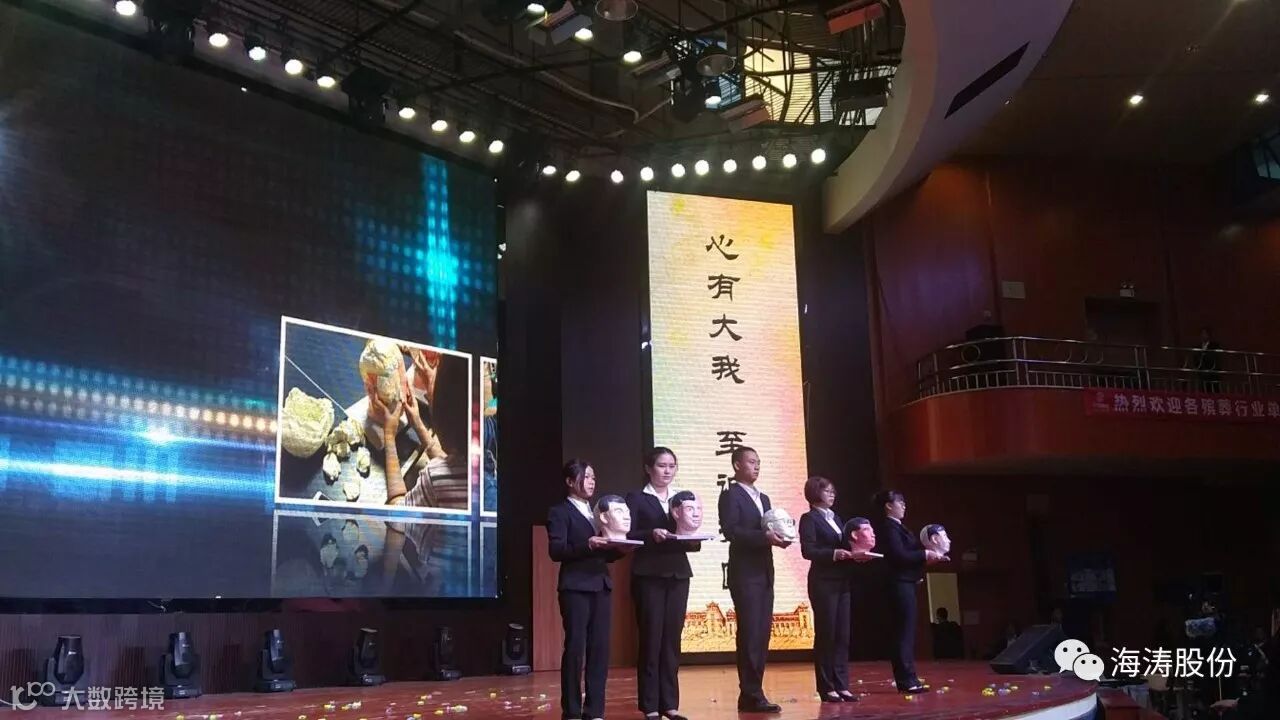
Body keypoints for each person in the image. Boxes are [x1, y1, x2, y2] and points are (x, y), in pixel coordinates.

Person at [547, 459, 627, 720]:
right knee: (575, 649)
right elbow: (556, 551)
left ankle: (595, 710)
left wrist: (620, 549)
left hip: (600, 584)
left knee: (599, 649)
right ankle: (571, 710)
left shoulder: (598, 512)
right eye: (586, 477)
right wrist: (588, 545)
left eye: (593, 477)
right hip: (575, 587)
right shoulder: (560, 512)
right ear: (570, 481)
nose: (592, 482)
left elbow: (605, 554)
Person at [625, 448, 701, 720]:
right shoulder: (636, 498)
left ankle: (670, 704)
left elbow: (690, 540)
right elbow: (627, 533)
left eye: (672, 465)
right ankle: (650, 705)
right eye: (661, 465)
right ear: (648, 468)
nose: (667, 471)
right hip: (649, 574)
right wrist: (651, 534)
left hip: (678, 574)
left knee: (672, 639)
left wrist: (693, 535)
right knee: (651, 638)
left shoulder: (682, 499)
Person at [718, 446, 789, 714]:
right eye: (751, 462)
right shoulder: (730, 494)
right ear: (737, 465)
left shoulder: (764, 498)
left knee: (761, 633)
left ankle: (754, 691)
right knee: (749, 632)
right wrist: (764, 538)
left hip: (764, 571)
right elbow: (731, 530)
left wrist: (780, 538)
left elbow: (769, 529)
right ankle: (750, 693)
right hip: (745, 572)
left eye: (758, 462)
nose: (756, 466)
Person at [872, 489, 946, 693]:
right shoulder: (889, 527)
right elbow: (898, 556)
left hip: (907, 582)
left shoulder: (898, 527)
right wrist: (924, 554)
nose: (904, 505)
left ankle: (909, 677)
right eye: (900, 502)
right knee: (903, 633)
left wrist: (928, 557)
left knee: (907, 631)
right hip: (898, 584)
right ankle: (906, 680)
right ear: (888, 505)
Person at [798, 476, 864, 703]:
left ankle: (842, 685)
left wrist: (858, 552)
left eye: (833, 491)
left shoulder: (836, 518)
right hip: (823, 581)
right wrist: (835, 554)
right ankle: (826, 687)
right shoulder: (809, 519)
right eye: (827, 491)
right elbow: (808, 550)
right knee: (827, 633)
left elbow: (846, 544)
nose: (832, 494)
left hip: (842, 580)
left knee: (842, 635)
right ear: (815, 493)